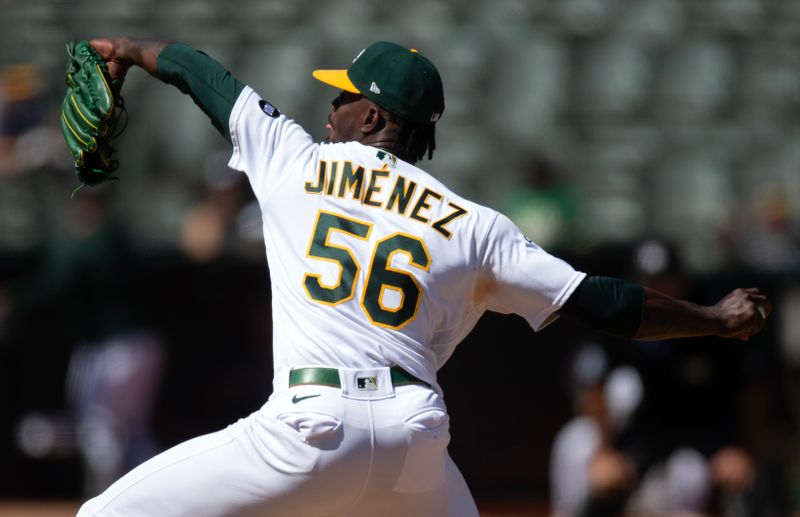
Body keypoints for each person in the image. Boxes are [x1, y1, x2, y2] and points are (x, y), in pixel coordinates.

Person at [74, 37, 771, 517]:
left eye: (344, 98)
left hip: (309, 429)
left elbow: (204, 74)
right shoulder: (474, 222)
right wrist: (714, 318)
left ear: (373, 117)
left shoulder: (298, 161)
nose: (330, 107)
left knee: (103, 511)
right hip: (416, 440)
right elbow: (599, 299)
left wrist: (131, 52)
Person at [550, 239, 769, 517]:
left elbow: (755, 385)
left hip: (711, 429)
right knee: (605, 485)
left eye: (666, 280)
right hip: (650, 427)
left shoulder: (710, 316)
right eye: (649, 281)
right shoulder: (625, 317)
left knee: (745, 485)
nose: (659, 289)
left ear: (683, 281)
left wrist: (744, 448)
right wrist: (605, 451)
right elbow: (591, 378)